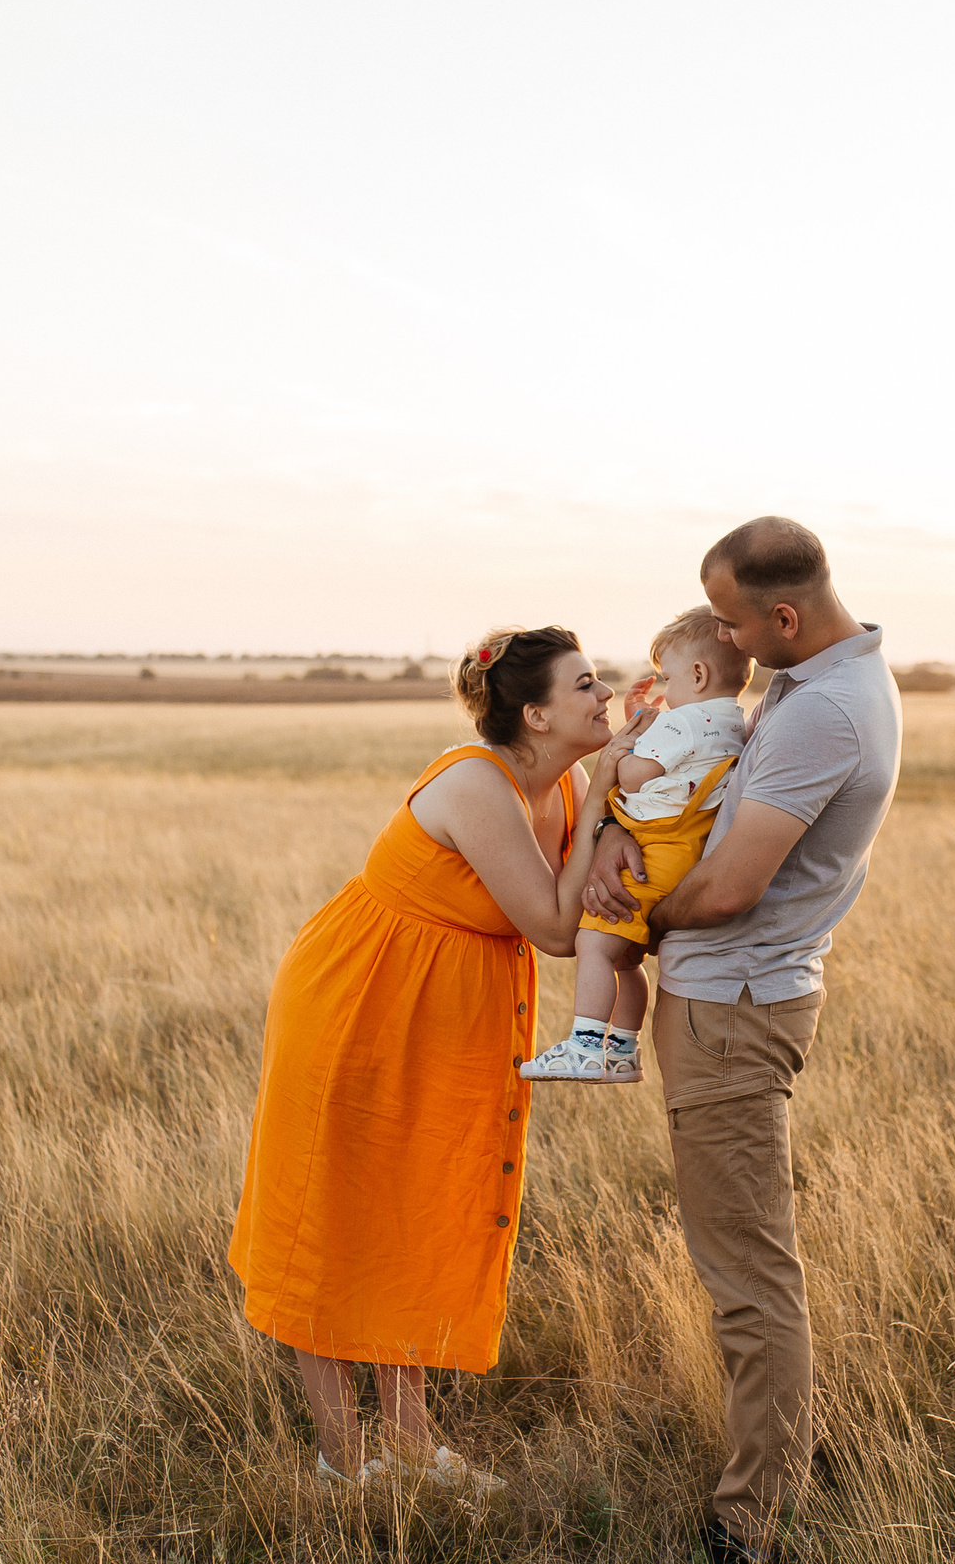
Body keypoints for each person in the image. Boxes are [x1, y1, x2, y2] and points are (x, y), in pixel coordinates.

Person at [228, 624, 648, 1489]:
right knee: (338, 1216)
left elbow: (579, 897)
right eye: (586, 685)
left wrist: (611, 800)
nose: (604, 694)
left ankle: (413, 1446)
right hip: (360, 1004)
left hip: (445, 1015)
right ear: (534, 713)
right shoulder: (474, 782)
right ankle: (342, 1463)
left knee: (415, 1207)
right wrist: (606, 787)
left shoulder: (564, 781)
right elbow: (556, 924)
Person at [583, 518, 902, 1564]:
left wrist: (628, 924)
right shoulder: (810, 689)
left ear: (781, 615)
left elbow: (728, 886)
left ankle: (751, 1522)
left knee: (748, 1273)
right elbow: (709, 819)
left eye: (729, 618)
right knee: (745, 1260)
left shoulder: (825, 713)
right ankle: (774, 1464)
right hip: (731, 1000)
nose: (718, 633)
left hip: (733, 1009)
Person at [518, 606, 751, 1085]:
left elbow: (638, 774)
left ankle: (586, 1045)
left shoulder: (681, 722)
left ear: (699, 674)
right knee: (626, 956)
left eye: (669, 678)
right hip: (685, 855)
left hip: (652, 849)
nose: (665, 693)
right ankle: (622, 1049)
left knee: (595, 943)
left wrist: (623, 755)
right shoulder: (735, 722)